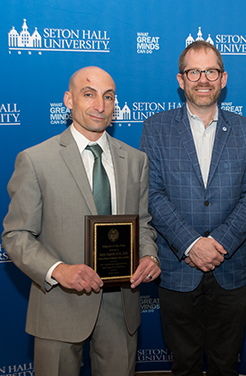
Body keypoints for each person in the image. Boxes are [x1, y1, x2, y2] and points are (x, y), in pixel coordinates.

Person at [2, 66, 161, 376]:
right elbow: (16, 235)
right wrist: (58, 270)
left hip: (121, 305)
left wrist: (149, 255)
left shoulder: (135, 161)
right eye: (89, 95)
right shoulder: (36, 160)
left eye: (108, 97)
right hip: (59, 304)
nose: (100, 106)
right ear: (68, 100)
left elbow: (142, 224)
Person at [139, 41, 246, 376]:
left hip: (230, 267)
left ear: (223, 79)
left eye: (211, 71)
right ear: (181, 80)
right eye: (194, 72)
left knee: (226, 364)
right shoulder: (156, 128)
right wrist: (192, 245)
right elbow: (152, 194)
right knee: (185, 365)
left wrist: (217, 243)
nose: (203, 79)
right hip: (178, 269)